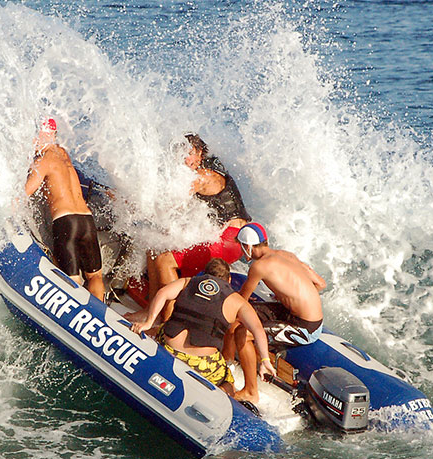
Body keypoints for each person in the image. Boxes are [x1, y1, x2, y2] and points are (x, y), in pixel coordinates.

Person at [142, 133, 252, 324]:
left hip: (230, 239)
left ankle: (168, 325)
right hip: (225, 237)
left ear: (200, 153)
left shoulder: (201, 176)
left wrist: (134, 202)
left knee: (164, 260)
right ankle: (150, 309)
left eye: (189, 153)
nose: (184, 158)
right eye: (181, 153)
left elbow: (169, 205)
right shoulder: (202, 170)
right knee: (153, 248)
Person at [131, 258, 276, 400]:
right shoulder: (237, 301)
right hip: (201, 363)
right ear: (229, 280)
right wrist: (265, 360)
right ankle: (214, 398)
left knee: (160, 328)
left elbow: (162, 293)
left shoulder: (188, 282)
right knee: (227, 380)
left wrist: (149, 322)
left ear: (205, 274)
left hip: (168, 349)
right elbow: (257, 329)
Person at [226, 222, 327, 403]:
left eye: (242, 247)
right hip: (296, 314)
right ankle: (227, 364)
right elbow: (320, 284)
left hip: (304, 327)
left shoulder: (259, 267)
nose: (241, 253)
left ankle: (250, 391)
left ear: (248, 246)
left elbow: (240, 302)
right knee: (240, 321)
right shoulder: (285, 255)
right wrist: (289, 295)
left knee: (242, 331)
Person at [25, 117, 105, 301]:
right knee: (95, 276)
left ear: (41, 136)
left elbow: (25, 193)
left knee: (72, 281)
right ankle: (99, 314)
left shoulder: (43, 161)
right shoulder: (63, 153)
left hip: (66, 222)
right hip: (86, 220)